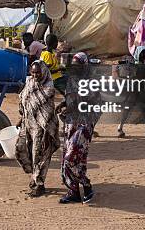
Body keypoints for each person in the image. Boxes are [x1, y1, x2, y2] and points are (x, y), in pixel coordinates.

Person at [56, 52, 98, 204]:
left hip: (84, 125)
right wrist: (62, 105)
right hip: (70, 124)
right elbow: (70, 98)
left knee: (71, 157)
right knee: (76, 159)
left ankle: (87, 186)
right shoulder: (72, 80)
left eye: (79, 65)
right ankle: (73, 191)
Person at [15, 61, 60, 198]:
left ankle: (39, 184)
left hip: (42, 128)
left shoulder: (48, 88)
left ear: (44, 72)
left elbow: (48, 112)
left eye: (38, 72)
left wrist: (47, 131)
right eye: (33, 72)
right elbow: (24, 100)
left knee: (39, 156)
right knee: (21, 150)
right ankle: (34, 177)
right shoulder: (29, 82)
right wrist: (21, 117)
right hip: (28, 124)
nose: (35, 75)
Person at [117, 46, 145, 140]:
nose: (144, 55)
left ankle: (120, 128)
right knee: (144, 111)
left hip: (132, 92)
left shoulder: (132, 65)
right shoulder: (144, 66)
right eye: (143, 54)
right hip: (138, 93)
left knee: (127, 110)